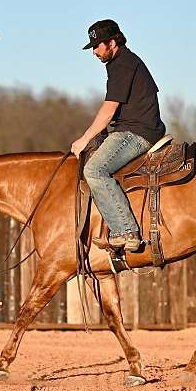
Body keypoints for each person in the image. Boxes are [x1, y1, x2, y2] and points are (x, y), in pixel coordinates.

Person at [71, 19, 166, 251]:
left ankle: (127, 230)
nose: (94, 51)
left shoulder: (123, 64)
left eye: (97, 46)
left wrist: (84, 139)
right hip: (132, 127)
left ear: (112, 43)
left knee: (94, 170)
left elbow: (109, 109)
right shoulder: (119, 64)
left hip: (136, 132)